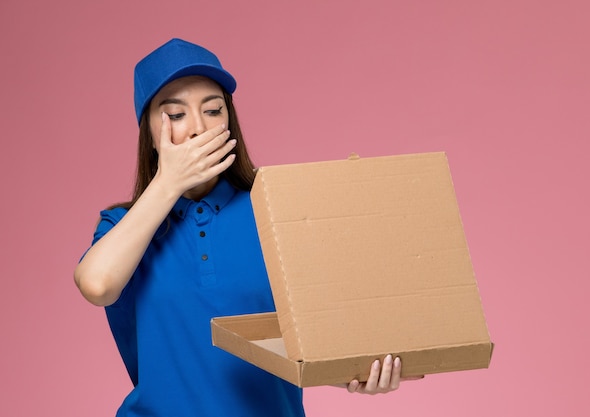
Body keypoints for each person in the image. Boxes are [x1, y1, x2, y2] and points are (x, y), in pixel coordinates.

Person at [74, 38, 418, 417]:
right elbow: (97, 284)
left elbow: (309, 343)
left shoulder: (274, 209)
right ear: (150, 133)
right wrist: (168, 185)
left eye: (213, 110)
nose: (198, 129)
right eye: (175, 115)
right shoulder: (124, 227)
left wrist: (357, 373)